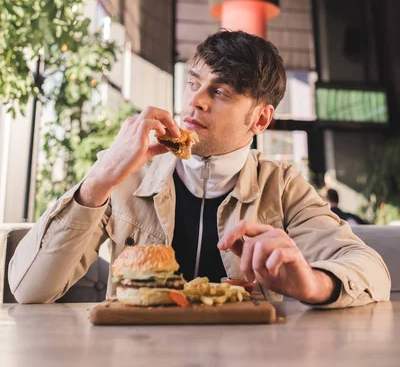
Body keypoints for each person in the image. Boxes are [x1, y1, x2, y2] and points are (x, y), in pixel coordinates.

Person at [9, 30, 390, 307]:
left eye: (219, 92)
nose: (194, 101)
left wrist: (313, 285)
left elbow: (370, 269)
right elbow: (28, 291)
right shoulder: (125, 174)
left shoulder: (283, 187)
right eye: (193, 83)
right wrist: (100, 178)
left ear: (260, 119)